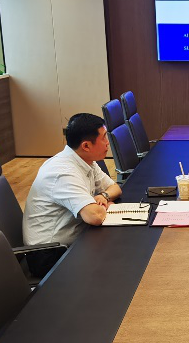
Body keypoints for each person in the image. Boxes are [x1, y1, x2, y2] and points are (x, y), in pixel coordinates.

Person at [23, 113, 122, 275]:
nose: (107, 143)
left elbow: (115, 188)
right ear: (86, 146)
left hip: (74, 240)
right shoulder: (62, 172)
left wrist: (104, 197)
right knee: (119, 259)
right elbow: (95, 217)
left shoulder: (84, 159)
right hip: (49, 254)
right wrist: (105, 206)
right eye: (104, 137)